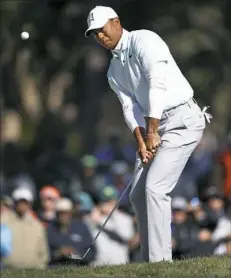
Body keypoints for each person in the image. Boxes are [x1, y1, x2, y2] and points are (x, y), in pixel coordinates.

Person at [84, 6, 212, 262]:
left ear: (116, 22)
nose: (100, 36)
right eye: (94, 34)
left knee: (155, 187)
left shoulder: (145, 39)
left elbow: (157, 83)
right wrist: (142, 140)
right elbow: (129, 107)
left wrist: (152, 131)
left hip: (182, 120)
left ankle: (160, 262)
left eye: (102, 29)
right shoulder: (113, 71)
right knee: (138, 194)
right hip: (155, 126)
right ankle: (150, 260)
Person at [1, 188, 49, 269]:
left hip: (34, 271)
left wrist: (41, 265)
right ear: (14, 203)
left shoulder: (37, 225)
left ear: (29, 204)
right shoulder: (3, 220)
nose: (22, 205)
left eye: (25, 202)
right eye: (19, 202)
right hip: (7, 269)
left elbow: (43, 251)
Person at [90, 185, 134, 266]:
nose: (108, 204)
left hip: (119, 262)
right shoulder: (95, 217)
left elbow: (126, 236)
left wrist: (113, 214)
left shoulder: (125, 218)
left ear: (116, 201)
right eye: (105, 201)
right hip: (98, 263)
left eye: (110, 201)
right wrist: (95, 218)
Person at [47, 197, 96, 266]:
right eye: (60, 213)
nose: (63, 216)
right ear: (56, 213)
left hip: (79, 268)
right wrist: (59, 253)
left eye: (66, 212)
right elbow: (45, 253)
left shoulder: (81, 227)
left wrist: (76, 254)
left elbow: (92, 252)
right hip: (56, 269)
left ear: (71, 213)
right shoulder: (50, 228)